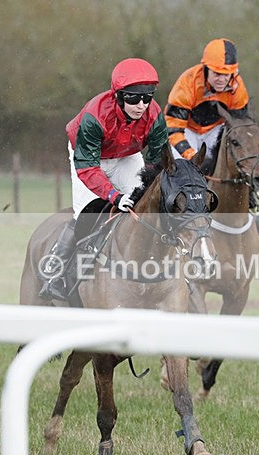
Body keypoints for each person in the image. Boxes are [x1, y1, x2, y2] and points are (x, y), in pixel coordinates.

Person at [39, 58, 168, 301]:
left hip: (127, 155)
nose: (141, 105)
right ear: (118, 96)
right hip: (91, 159)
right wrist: (114, 196)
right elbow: (88, 168)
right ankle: (56, 268)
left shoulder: (154, 114)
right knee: (85, 213)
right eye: (133, 98)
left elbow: (157, 161)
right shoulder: (94, 116)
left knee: (143, 207)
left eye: (147, 97)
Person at [165, 38, 259, 237]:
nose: (222, 79)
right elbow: (173, 127)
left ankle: (251, 206)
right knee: (180, 170)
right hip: (185, 129)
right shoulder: (188, 82)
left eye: (227, 74)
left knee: (236, 158)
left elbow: (241, 125)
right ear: (206, 69)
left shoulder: (237, 86)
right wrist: (190, 155)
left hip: (216, 129)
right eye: (217, 74)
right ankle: (170, 217)